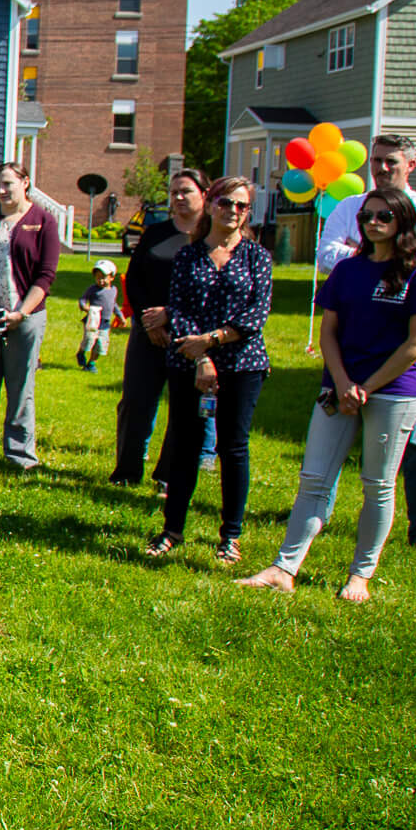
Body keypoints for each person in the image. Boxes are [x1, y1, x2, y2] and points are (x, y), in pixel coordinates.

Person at [241, 189, 416, 602]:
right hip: (338, 387)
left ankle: (360, 576)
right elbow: (328, 332)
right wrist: (341, 382)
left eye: (384, 216)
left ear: (403, 221)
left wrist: (366, 388)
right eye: (367, 216)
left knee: (378, 485)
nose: (373, 223)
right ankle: (283, 568)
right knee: (314, 479)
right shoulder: (348, 270)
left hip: (392, 393)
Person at [313, 133, 416, 556]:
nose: (382, 168)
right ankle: (318, 512)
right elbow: (325, 253)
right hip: (352, 334)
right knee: (335, 421)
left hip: (400, 339)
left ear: (411, 165)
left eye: (391, 161)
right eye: (376, 161)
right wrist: (373, 255)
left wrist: (365, 257)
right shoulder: (350, 205)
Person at [144, 175, 272, 563]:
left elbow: (256, 314)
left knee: (234, 447)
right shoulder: (189, 255)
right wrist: (200, 357)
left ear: (248, 212)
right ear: (211, 205)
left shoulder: (257, 257)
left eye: (241, 205)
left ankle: (230, 536)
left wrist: (212, 341)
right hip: (189, 361)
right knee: (185, 444)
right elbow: (179, 308)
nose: (233, 211)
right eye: (225, 202)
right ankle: (172, 529)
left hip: (242, 363)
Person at [111, 169, 210, 488]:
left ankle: (168, 476)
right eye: (174, 192)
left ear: (204, 194)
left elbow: (211, 290)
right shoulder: (155, 233)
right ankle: (127, 472)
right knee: (135, 403)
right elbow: (134, 278)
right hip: (148, 332)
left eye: (186, 191)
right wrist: (147, 320)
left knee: (184, 408)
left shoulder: (210, 238)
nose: (178, 197)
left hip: (191, 335)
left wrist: (170, 316)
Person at [0, 162, 61, 471]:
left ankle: (20, 453)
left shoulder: (43, 221)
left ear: (25, 182)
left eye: (8, 184)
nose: (2, 190)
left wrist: (22, 313)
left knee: (21, 386)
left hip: (26, 315)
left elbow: (46, 275)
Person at [79, 261, 119, 372]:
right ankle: (81, 352)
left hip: (104, 323)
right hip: (93, 320)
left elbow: (113, 304)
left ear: (112, 277)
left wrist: (120, 316)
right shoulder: (93, 289)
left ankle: (91, 363)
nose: (100, 280)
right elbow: (83, 299)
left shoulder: (113, 290)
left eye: (103, 277)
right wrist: (84, 306)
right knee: (89, 340)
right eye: (97, 278)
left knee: (100, 344)